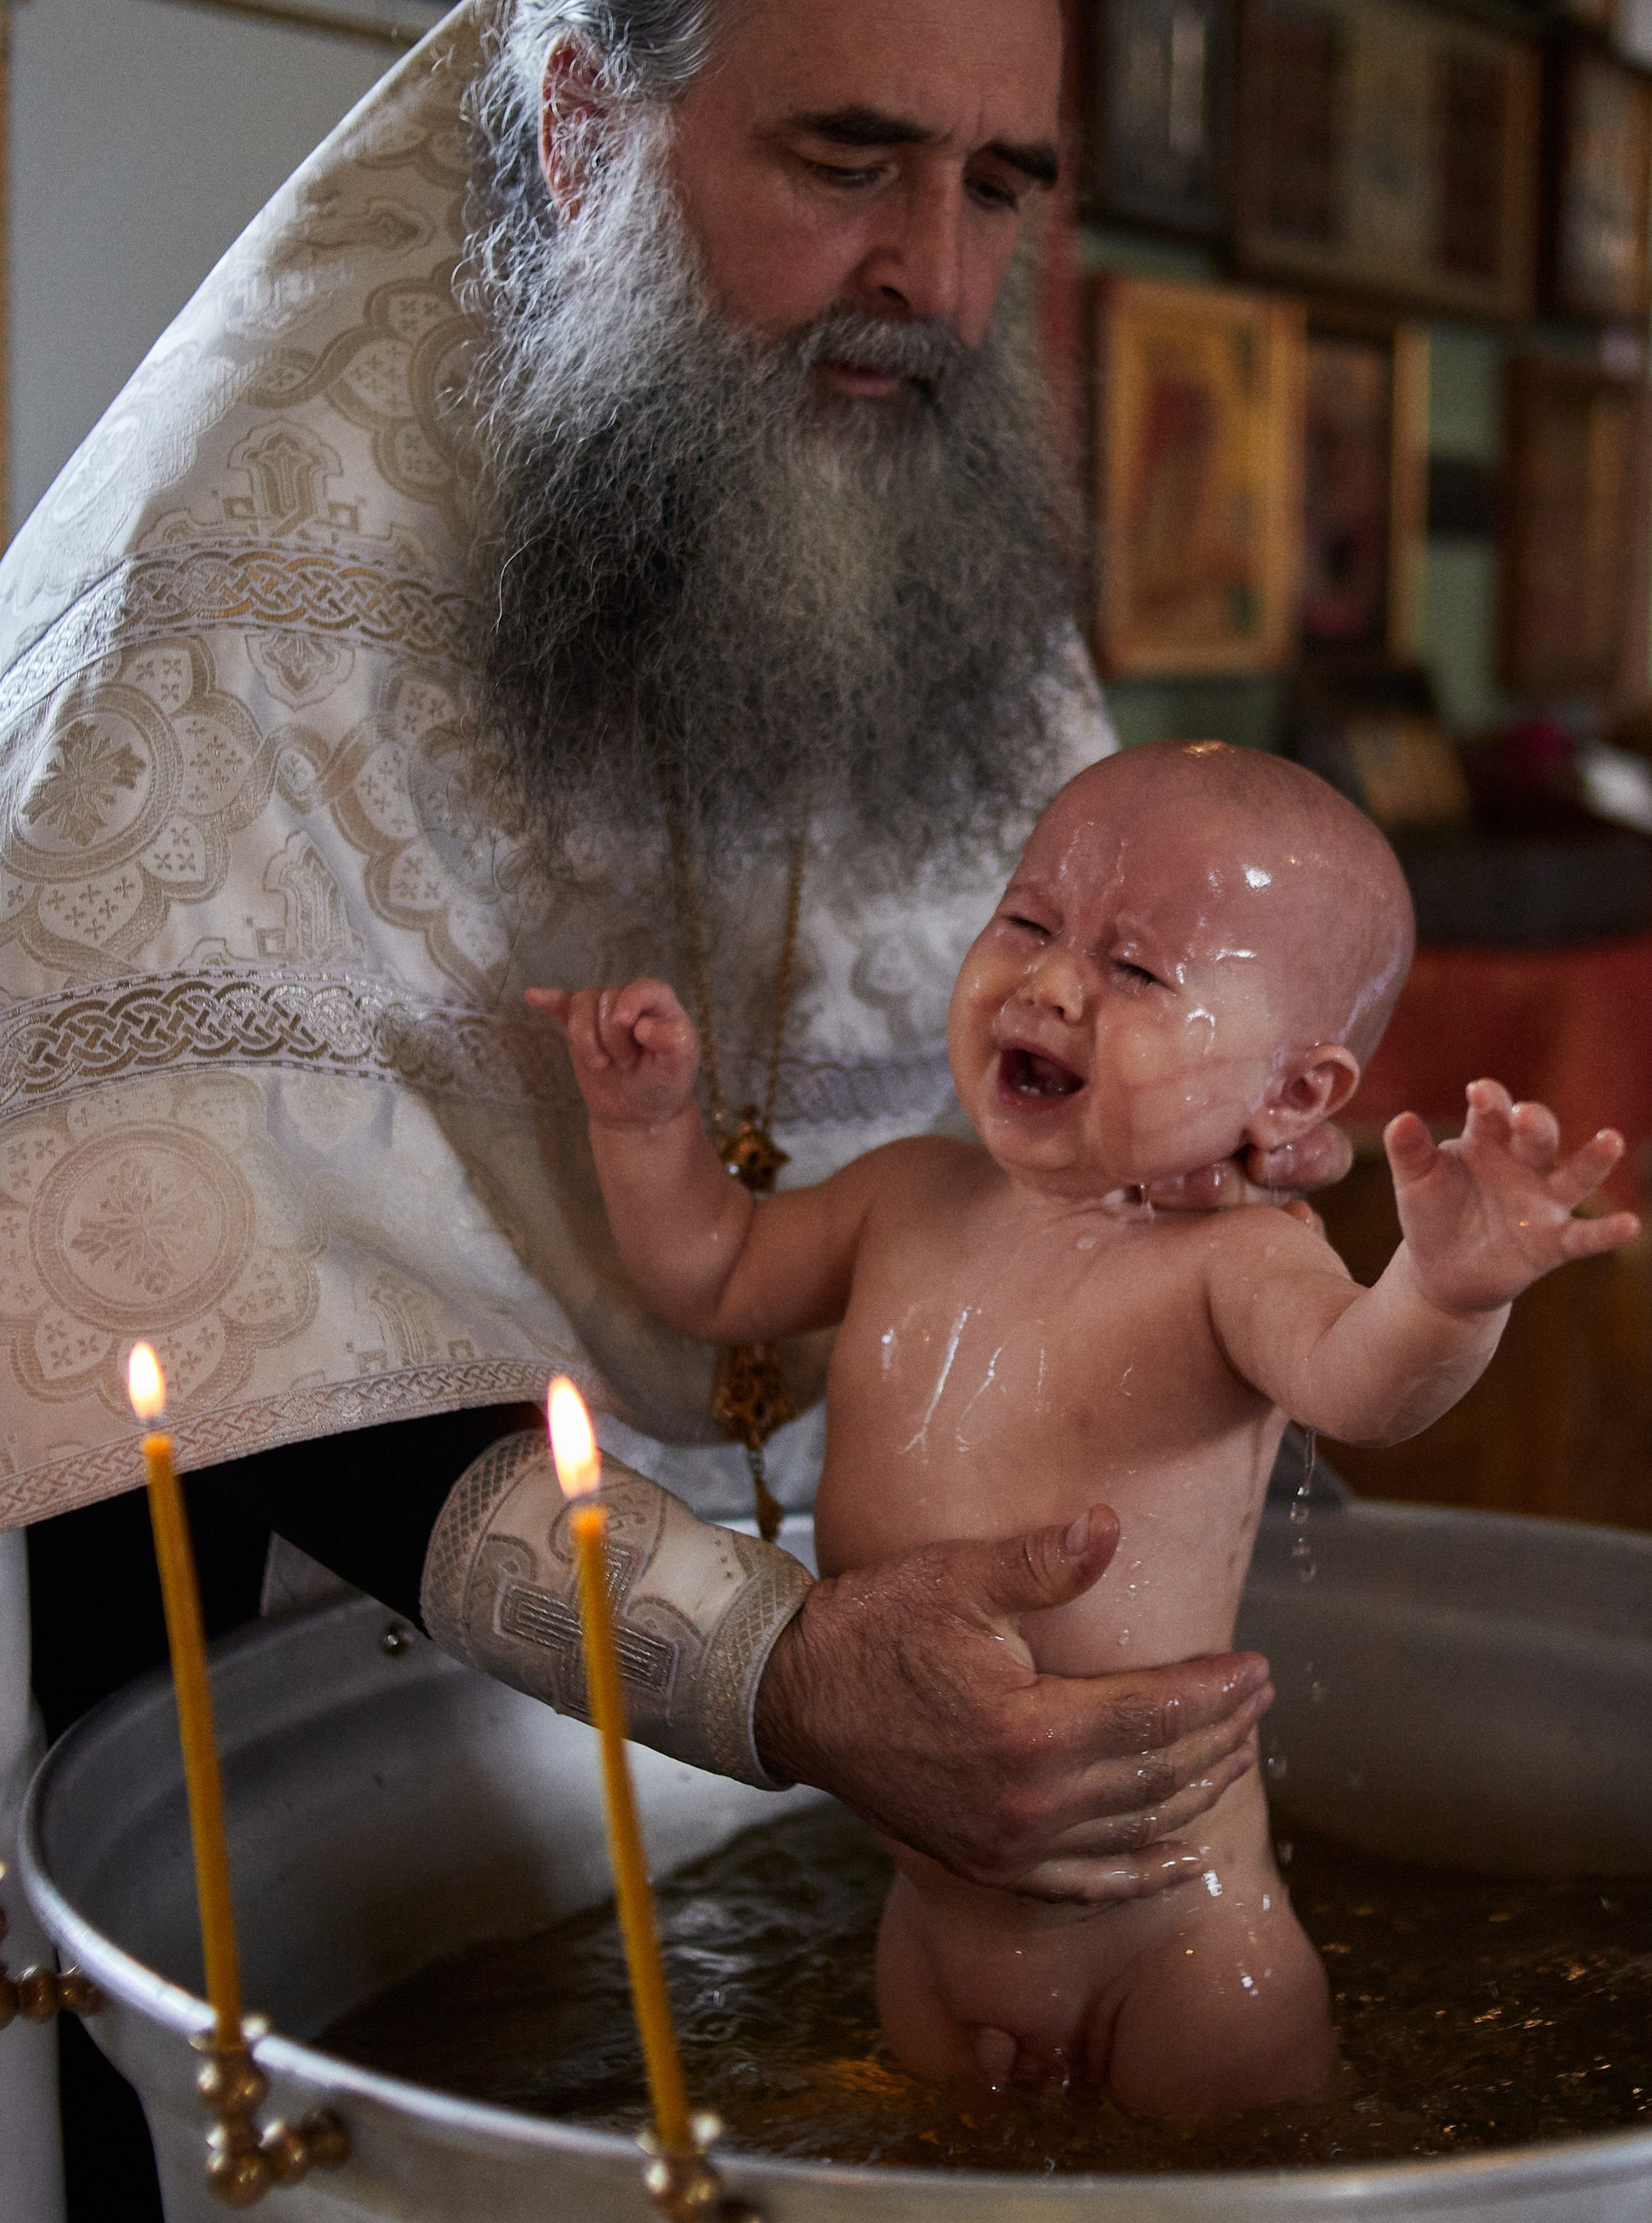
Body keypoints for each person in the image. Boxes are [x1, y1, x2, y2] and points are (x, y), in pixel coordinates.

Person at [0, 0, 1347, 2209]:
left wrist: (1224, 1214)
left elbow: (1104, 1152)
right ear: (577, 121)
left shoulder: (912, 463)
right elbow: (189, 1265)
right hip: (368, 1738)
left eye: (1001, 186)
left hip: (928, 1800)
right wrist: (766, 1658)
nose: (936, 277)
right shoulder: (228, 583)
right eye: (847, 163)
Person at [527, 742, 1641, 2115]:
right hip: (932, 1928)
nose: (1052, 986)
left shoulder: (1237, 1262)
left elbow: (1365, 1386)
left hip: (1178, 1942)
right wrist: (647, 1125)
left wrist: (1449, 1294)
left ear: (1293, 1096)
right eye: (1029, 922)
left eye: (1139, 971)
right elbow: (713, 1275)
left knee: (1232, 2191)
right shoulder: (903, 1196)